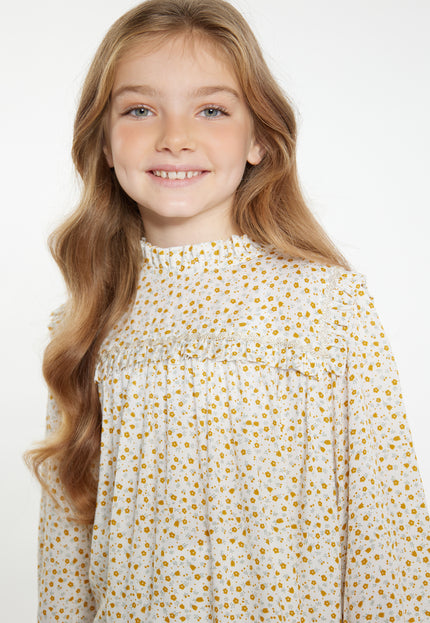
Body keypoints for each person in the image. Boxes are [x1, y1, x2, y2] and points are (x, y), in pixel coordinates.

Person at [24, 0, 430, 621]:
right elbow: (66, 549)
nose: (175, 137)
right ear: (103, 141)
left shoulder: (325, 304)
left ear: (260, 138)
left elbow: (387, 531)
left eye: (211, 110)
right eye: (140, 110)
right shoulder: (82, 324)